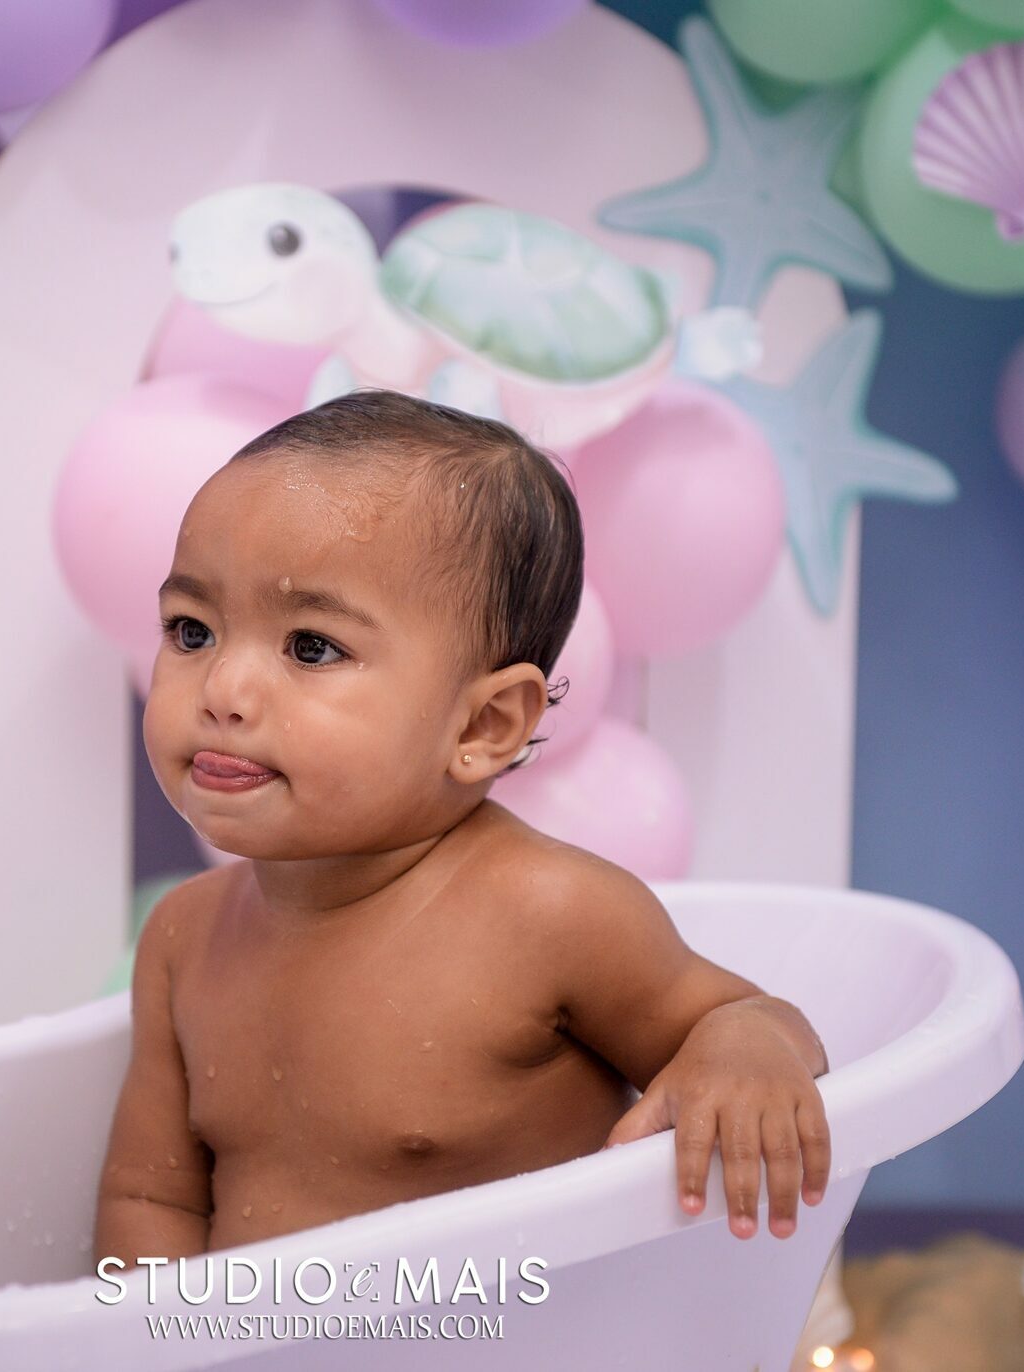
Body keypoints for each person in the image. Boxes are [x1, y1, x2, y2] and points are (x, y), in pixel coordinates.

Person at [93, 389, 829, 1266]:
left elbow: (747, 1015)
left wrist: (742, 1047)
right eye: (192, 631)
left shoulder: (550, 914)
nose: (222, 692)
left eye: (311, 647)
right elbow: (151, 1195)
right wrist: (153, 1331)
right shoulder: (182, 938)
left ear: (483, 725)